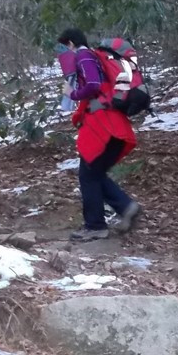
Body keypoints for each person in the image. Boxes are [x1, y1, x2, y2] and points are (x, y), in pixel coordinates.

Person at [58, 28, 141, 241]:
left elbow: (93, 85)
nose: (63, 51)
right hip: (113, 125)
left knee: (88, 175)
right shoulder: (95, 57)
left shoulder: (84, 56)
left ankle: (95, 226)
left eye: (64, 46)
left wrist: (72, 93)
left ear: (71, 43)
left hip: (103, 127)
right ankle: (125, 207)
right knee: (94, 174)